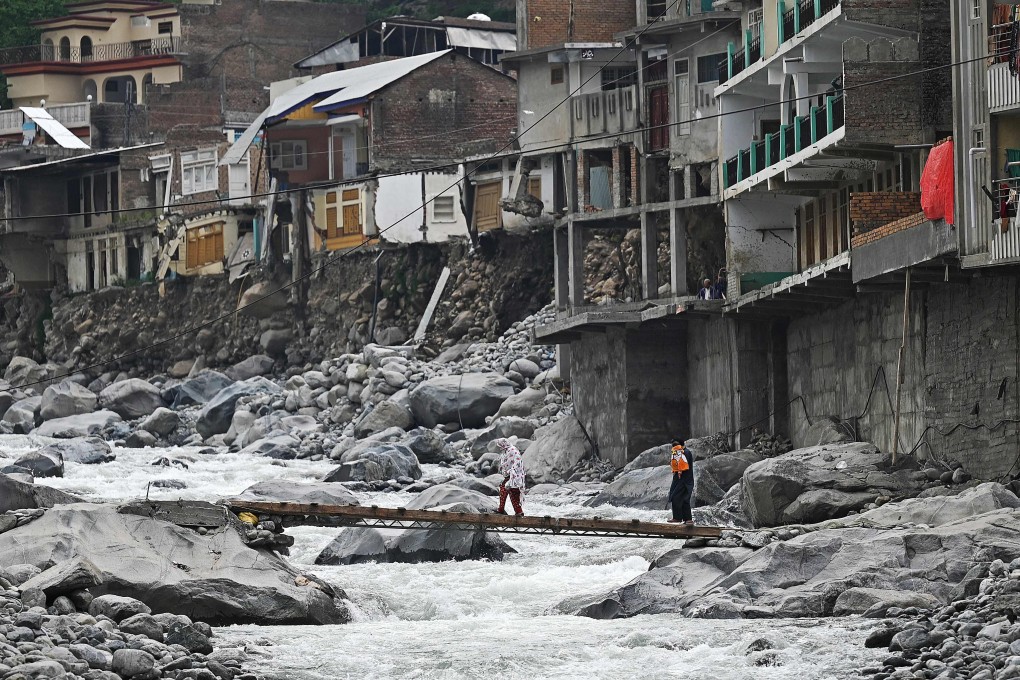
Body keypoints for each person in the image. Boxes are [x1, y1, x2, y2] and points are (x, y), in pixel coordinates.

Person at [667, 438, 695, 525]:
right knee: (681, 498)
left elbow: (683, 466)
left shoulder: (685, 452)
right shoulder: (681, 452)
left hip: (684, 479)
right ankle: (686, 519)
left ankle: (679, 518)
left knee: (678, 497)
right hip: (680, 479)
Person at [495, 438, 526, 516]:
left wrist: (510, 472)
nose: (499, 448)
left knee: (506, 490)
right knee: (512, 492)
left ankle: (502, 509)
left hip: (515, 475)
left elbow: (516, 463)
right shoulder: (506, 451)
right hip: (512, 475)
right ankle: (519, 512)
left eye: (500, 446)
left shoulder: (512, 450)